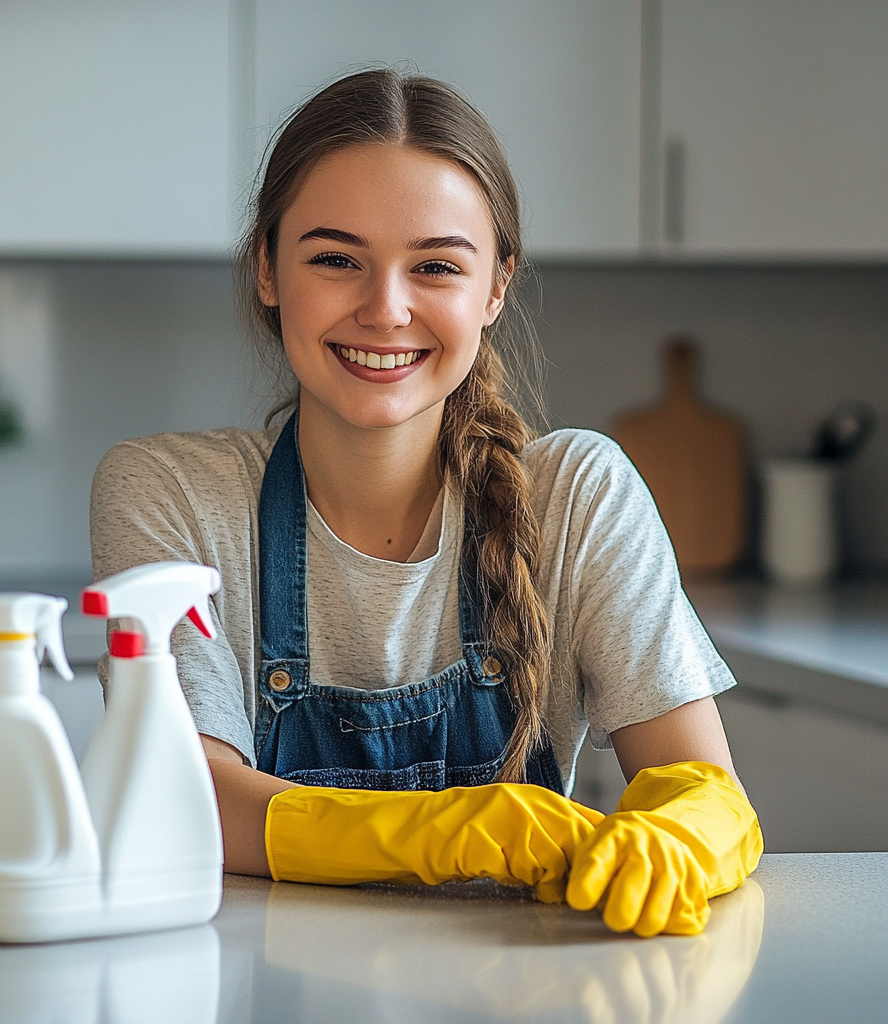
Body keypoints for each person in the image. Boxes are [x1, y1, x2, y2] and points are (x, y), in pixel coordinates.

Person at [91, 69, 762, 937]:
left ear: (496, 288)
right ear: (266, 268)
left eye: (436, 265)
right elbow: (192, 801)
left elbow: (706, 787)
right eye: (337, 260)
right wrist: (456, 830)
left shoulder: (579, 495)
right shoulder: (173, 495)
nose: (386, 308)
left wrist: (684, 834)